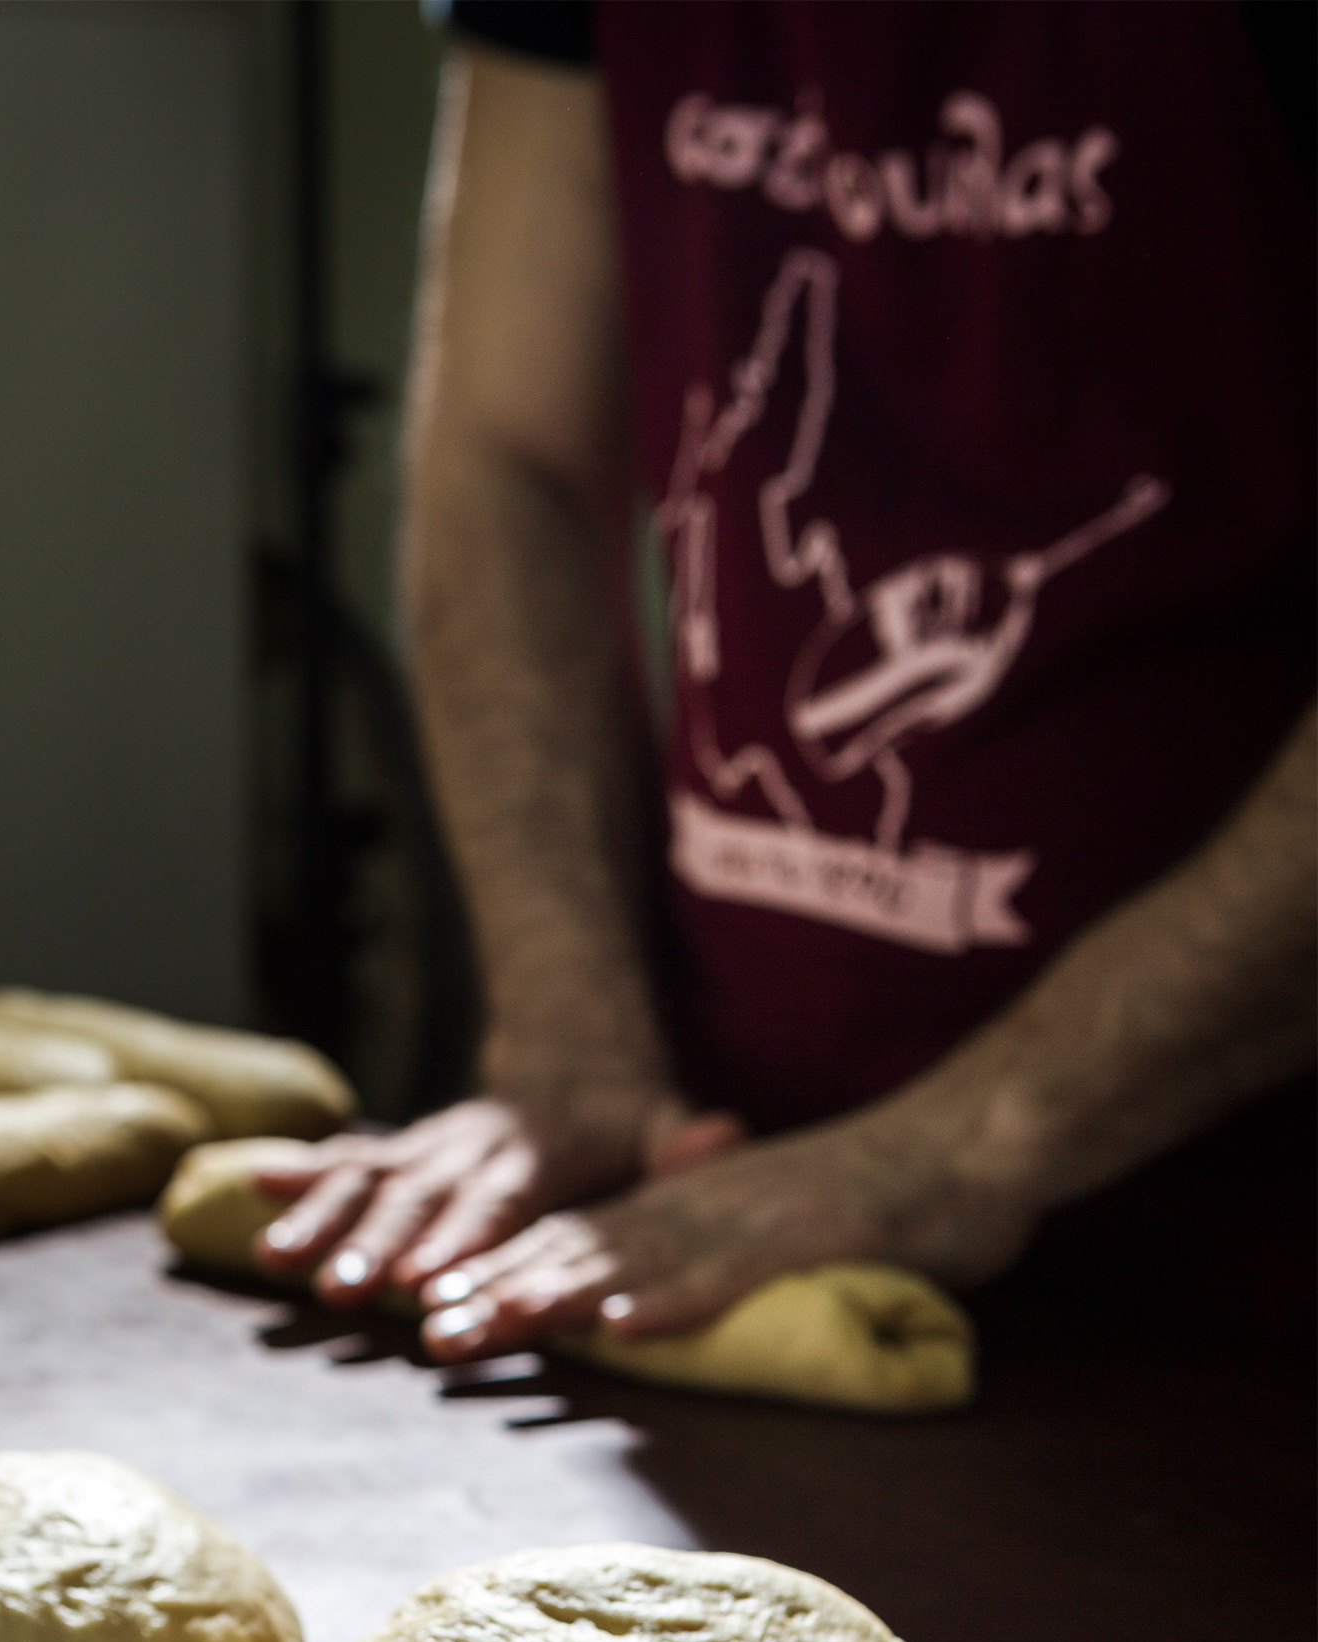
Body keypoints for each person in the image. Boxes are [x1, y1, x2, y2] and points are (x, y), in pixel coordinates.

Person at [260, 1, 1315, 1364]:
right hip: (725, 1191)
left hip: (1253, 1243)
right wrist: (571, 1045)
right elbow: (508, 455)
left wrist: (973, 1143)